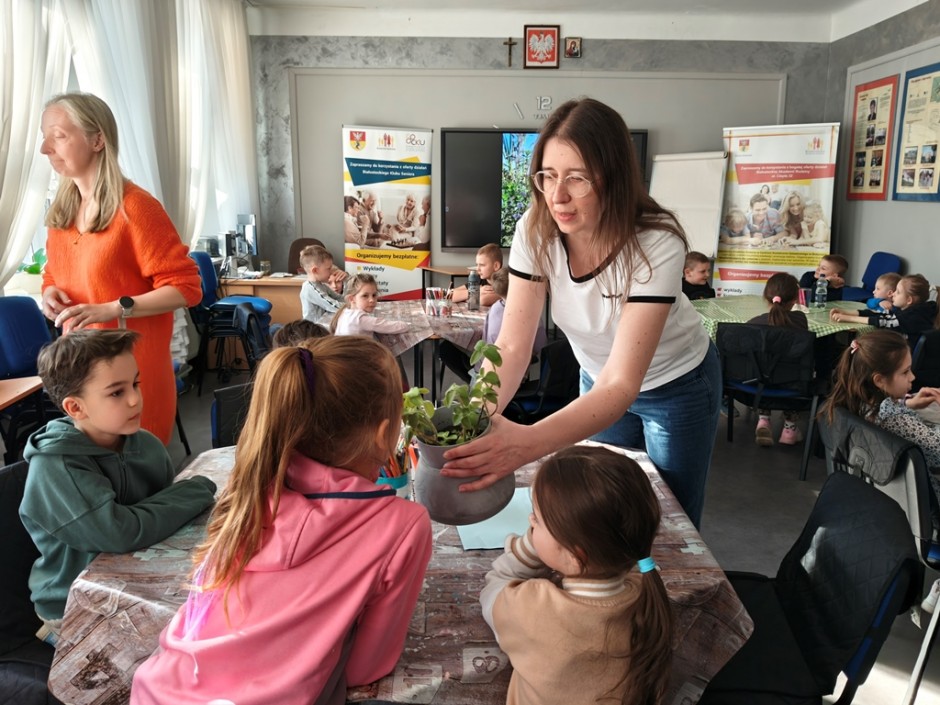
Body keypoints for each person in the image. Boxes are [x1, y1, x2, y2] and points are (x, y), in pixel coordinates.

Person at [441, 98, 721, 529]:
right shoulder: (535, 229)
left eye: (577, 178)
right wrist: (478, 417)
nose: (558, 196)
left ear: (613, 178)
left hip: (675, 385)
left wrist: (527, 443)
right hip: (597, 382)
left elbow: (622, 382)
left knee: (668, 519)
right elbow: (512, 345)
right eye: (548, 176)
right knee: (603, 513)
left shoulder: (656, 243)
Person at [131, 337, 433, 705]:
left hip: (155, 690)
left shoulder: (248, 489)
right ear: (385, 435)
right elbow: (364, 669)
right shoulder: (403, 526)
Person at [19, 330, 217, 644]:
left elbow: (163, 511)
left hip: (133, 581)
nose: (135, 399)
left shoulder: (146, 444)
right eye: (116, 393)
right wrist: (197, 488)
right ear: (75, 408)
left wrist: (173, 501)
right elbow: (119, 532)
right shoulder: (57, 466)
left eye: (135, 384)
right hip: (74, 607)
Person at [39, 92, 202, 445]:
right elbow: (54, 273)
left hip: (131, 378)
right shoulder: (62, 214)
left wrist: (114, 308)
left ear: (97, 140)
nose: (45, 149)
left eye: (58, 136)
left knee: (137, 473)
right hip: (82, 376)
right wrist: (49, 291)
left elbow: (186, 288)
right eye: (44, 137)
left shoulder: (136, 208)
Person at [479, 445, 673, 705]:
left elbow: (493, 590)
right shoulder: (647, 594)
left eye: (537, 520)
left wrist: (529, 549)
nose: (530, 520)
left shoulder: (532, 609)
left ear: (576, 555)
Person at [820, 330, 940, 525]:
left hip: (886, 509)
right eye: (905, 372)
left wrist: (907, 404)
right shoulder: (896, 421)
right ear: (879, 380)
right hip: (926, 514)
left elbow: (887, 411)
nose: (913, 377)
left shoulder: (857, 405)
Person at [440, 268, 547, 384]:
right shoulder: (532, 311)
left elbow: (488, 341)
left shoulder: (495, 310)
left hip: (487, 376)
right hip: (519, 376)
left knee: (447, 348)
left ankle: (473, 380)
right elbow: (540, 345)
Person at [747, 273, 808, 446]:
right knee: (790, 371)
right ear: (795, 299)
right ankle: (790, 429)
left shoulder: (753, 323)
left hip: (755, 384)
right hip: (792, 383)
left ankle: (764, 420)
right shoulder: (800, 320)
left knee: (764, 368)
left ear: (766, 297)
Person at [831, 273, 939, 348]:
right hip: (897, 350)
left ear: (909, 300)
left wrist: (848, 318)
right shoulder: (908, 311)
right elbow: (880, 315)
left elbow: (883, 321)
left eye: (898, 292)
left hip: (901, 359)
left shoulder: (912, 317)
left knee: (861, 349)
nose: (893, 294)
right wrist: (846, 312)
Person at [330, 273, 409, 337]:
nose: (372, 300)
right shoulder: (360, 319)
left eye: (374, 295)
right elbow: (394, 327)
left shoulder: (345, 312)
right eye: (365, 296)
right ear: (351, 299)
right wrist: (406, 325)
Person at [299, 244, 345, 324]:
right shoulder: (310, 288)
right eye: (328, 268)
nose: (331, 271)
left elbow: (338, 297)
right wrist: (353, 306)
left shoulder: (321, 285)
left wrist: (354, 300)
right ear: (315, 270)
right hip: (313, 329)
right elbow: (332, 305)